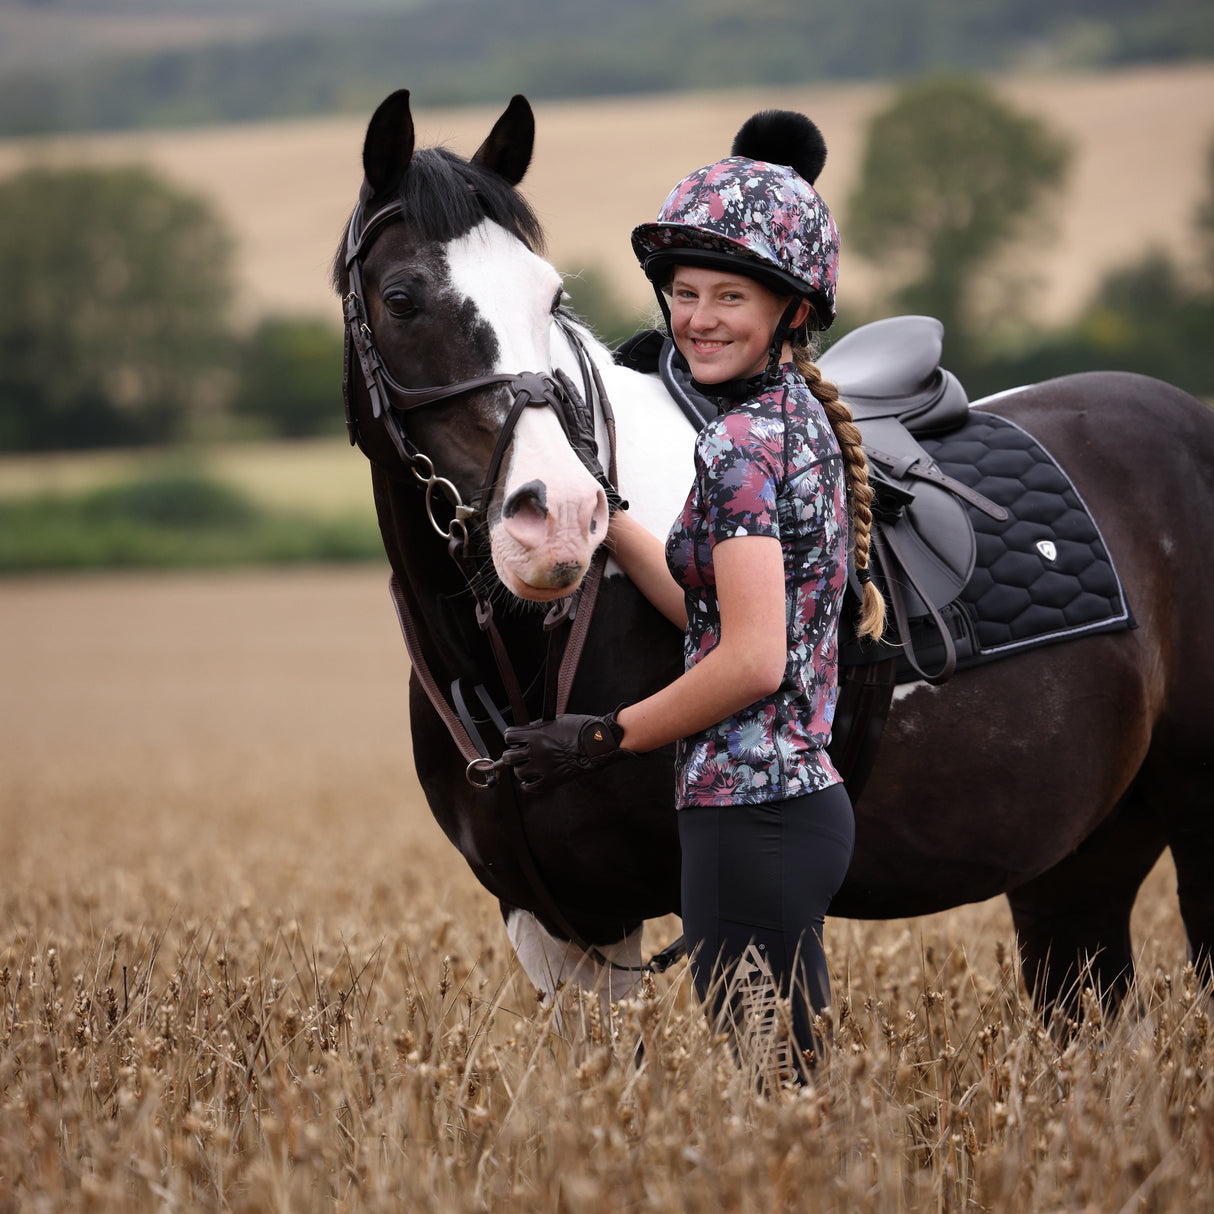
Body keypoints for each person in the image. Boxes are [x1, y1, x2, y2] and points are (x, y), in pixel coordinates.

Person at [502, 110, 885, 1083]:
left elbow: (751, 660)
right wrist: (612, 519)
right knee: (781, 1090)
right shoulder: (792, 420)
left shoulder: (741, 445)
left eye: (729, 295)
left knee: (776, 1093)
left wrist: (601, 736)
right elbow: (709, 614)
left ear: (791, 309)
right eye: (682, 293)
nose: (698, 317)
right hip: (779, 809)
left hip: (750, 814)